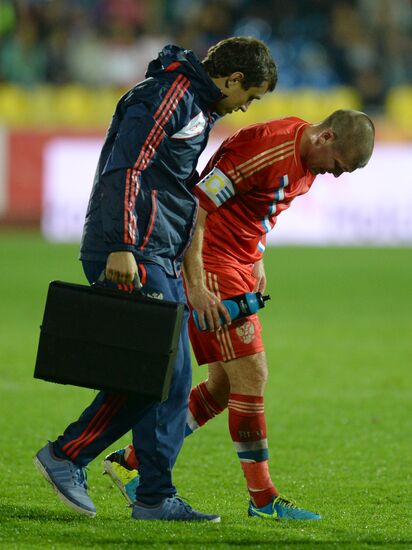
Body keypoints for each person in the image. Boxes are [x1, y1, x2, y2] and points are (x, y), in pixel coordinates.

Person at [33, 37, 277, 523]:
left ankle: (149, 495)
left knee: (157, 373)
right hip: (134, 249)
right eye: (250, 94)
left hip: (156, 249)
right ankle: (75, 459)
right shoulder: (170, 95)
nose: (248, 106)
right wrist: (123, 244)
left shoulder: (193, 103)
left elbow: (170, 187)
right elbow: (128, 167)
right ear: (231, 80)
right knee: (160, 373)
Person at [102, 109, 375, 520]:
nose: (334, 176)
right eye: (337, 167)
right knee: (253, 374)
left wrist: (256, 256)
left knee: (223, 387)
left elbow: (259, 208)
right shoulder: (266, 147)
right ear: (326, 137)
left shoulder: (307, 159)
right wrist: (195, 283)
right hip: (210, 262)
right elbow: (198, 207)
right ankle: (263, 500)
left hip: (238, 264)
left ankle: (137, 462)